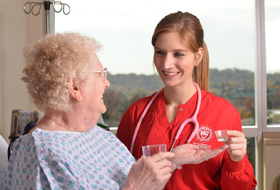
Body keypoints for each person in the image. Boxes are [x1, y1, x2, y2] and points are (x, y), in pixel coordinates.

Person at [3, 33, 228, 190]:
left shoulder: (98, 136)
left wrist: (172, 158)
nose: (107, 83)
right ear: (74, 87)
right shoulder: (38, 152)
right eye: (101, 73)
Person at [116, 11, 257, 189]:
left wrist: (237, 162)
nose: (166, 64)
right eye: (160, 52)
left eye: (178, 54)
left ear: (198, 57)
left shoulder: (225, 114)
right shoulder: (136, 113)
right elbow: (117, 176)